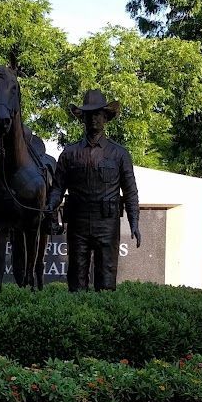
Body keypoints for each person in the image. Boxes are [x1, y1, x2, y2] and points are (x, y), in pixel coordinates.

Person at [45, 89, 140, 291]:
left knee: (106, 281)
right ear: (83, 119)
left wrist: (134, 222)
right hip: (78, 223)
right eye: (89, 115)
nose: (93, 119)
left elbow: (130, 191)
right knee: (76, 282)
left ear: (105, 117)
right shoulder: (69, 154)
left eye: (97, 114)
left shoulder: (119, 154)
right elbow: (58, 188)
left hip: (107, 223)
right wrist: (50, 205)